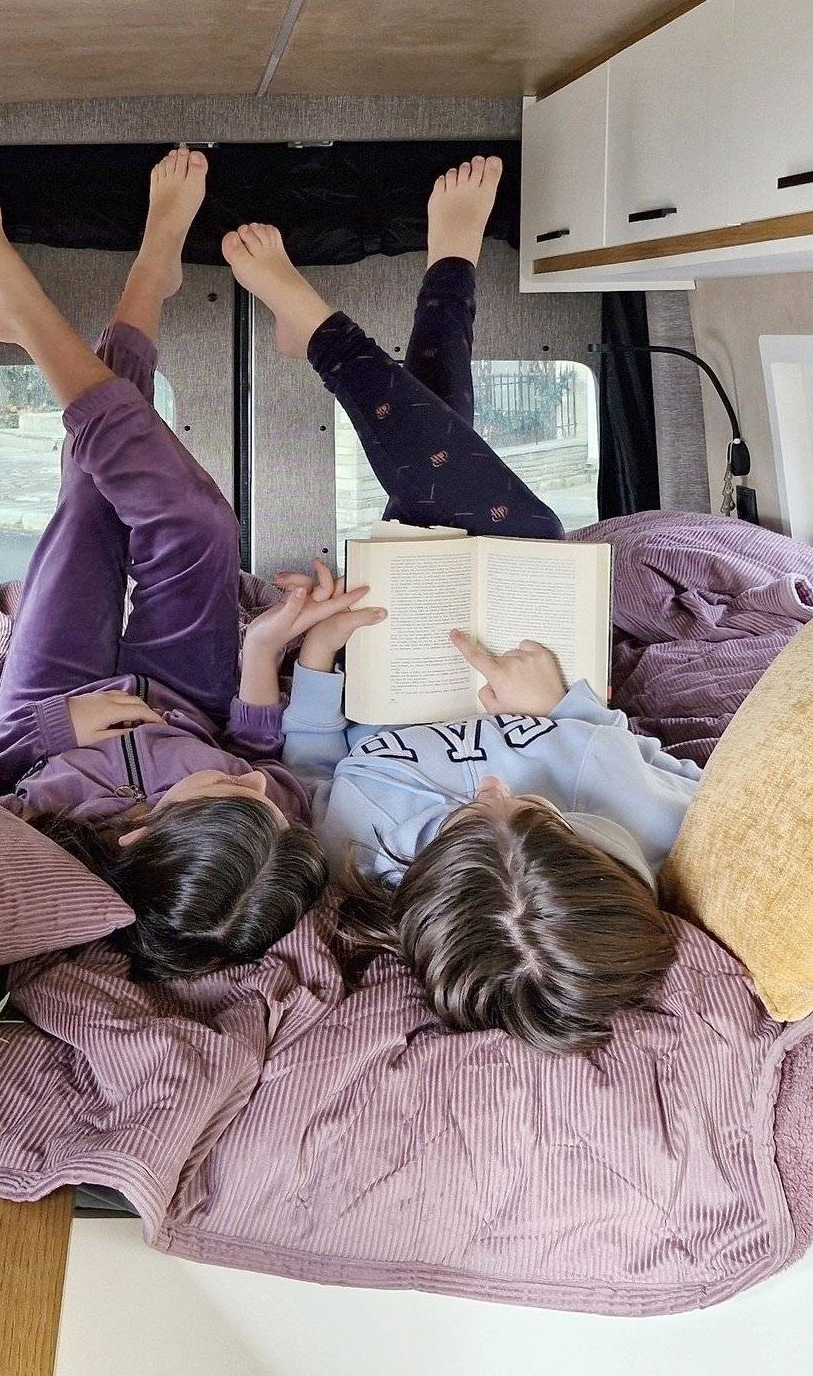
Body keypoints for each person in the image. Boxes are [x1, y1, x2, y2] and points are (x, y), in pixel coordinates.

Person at [219, 157, 695, 1053]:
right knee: (500, 513)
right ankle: (349, 317)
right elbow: (669, 767)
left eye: (467, 817)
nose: (491, 784)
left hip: (395, 653)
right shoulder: (649, 828)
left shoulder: (360, 854)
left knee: (447, 487)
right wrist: (566, 711)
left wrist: (316, 660)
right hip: (527, 645)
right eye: (539, 811)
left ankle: (427, 281)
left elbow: (314, 770)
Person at [0, 150, 371, 981]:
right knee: (201, 523)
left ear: (138, 832)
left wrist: (54, 730)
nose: (254, 786)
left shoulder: (44, 821)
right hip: (188, 698)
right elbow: (256, 752)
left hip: (54, 703)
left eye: (228, 790)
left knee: (90, 500)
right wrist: (263, 653)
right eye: (262, 802)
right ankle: (98, 290)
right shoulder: (265, 819)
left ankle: (100, 291)